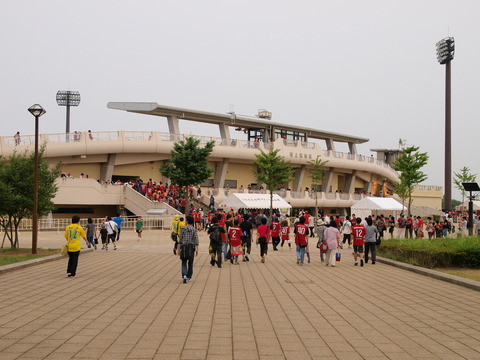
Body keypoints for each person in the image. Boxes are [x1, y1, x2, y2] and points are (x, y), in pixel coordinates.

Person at [178, 215, 199, 283]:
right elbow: (196, 240)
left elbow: (180, 239)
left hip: (184, 246)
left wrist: (178, 249)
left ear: (187, 221)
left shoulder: (183, 229)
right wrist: (197, 249)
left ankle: (184, 275)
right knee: (190, 262)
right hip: (191, 247)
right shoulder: (194, 229)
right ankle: (189, 276)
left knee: (184, 261)